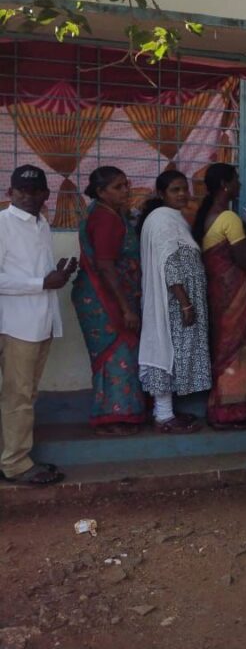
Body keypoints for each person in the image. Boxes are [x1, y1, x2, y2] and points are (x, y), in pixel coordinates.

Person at [0, 166, 75, 485]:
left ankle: (14, 455)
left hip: (40, 321)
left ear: (47, 194)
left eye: (35, 191)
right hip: (17, 324)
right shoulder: (3, 225)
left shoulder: (42, 223)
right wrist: (41, 282)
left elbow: (36, 274)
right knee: (19, 395)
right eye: (22, 191)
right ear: (10, 193)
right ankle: (15, 463)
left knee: (25, 394)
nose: (28, 197)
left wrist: (55, 275)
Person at [72, 166, 148, 435]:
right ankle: (113, 418)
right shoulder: (105, 218)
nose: (125, 191)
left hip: (107, 294)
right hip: (103, 297)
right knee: (118, 353)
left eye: (126, 184)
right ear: (101, 192)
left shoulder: (109, 213)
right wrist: (126, 308)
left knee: (118, 353)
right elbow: (105, 266)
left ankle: (119, 414)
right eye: (118, 187)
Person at [138, 170, 210, 434]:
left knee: (174, 352)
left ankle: (165, 412)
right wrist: (185, 303)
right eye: (175, 190)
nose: (182, 194)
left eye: (184, 189)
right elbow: (170, 265)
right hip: (173, 301)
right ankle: (164, 415)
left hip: (178, 299)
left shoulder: (172, 218)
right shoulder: (163, 221)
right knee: (169, 351)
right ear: (161, 194)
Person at [195, 163, 246, 429]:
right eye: (236, 180)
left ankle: (223, 408)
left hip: (220, 296)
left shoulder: (207, 217)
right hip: (236, 295)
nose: (240, 185)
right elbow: (245, 260)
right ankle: (237, 410)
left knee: (225, 347)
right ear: (225, 184)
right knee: (240, 349)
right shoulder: (229, 219)